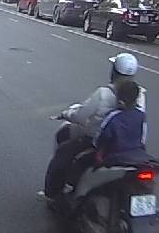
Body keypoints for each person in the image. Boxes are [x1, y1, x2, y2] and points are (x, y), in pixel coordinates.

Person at [42, 52, 146, 200]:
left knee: (63, 153)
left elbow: (81, 117)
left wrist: (66, 114)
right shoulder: (139, 95)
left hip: (101, 144)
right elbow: (143, 127)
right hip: (132, 147)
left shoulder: (103, 94)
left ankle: (54, 193)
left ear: (114, 72)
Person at [93, 79, 148, 166]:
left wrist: (98, 150)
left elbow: (102, 137)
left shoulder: (113, 116)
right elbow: (143, 139)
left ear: (118, 99)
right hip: (137, 155)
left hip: (114, 157)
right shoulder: (141, 115)